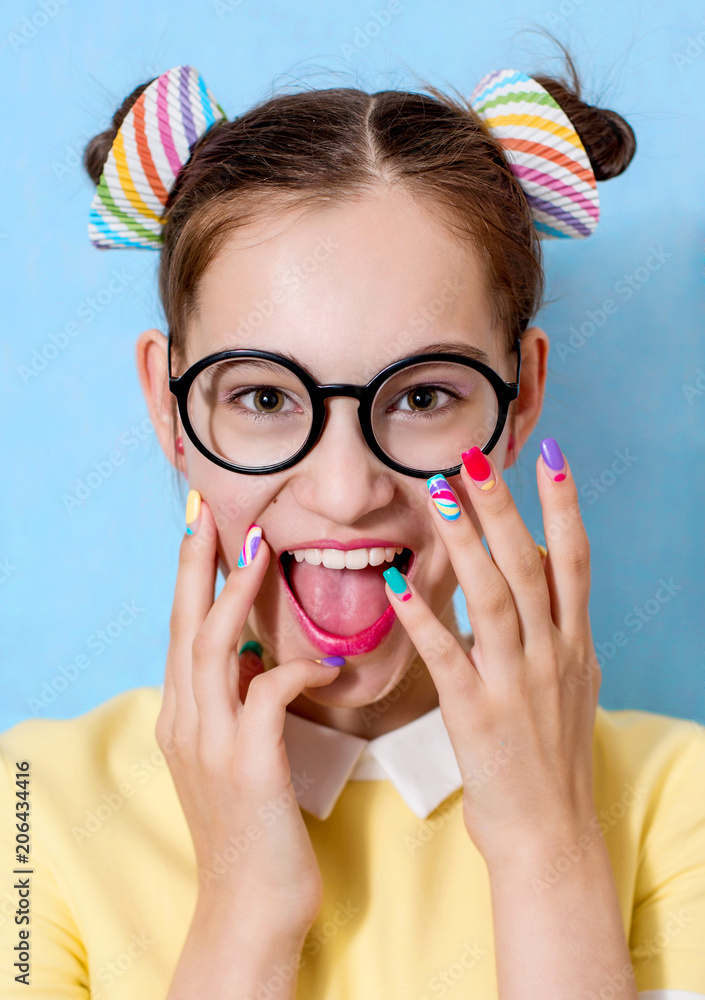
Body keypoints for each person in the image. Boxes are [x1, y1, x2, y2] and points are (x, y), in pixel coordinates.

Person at [1, 53, 703, 1000]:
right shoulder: (27, 808)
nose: (343, 490)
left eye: (421, 395)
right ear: (167, 408)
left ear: (522, 392)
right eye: (260, 395)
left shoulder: (679, 801)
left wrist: (550, 852)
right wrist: (243, 915)